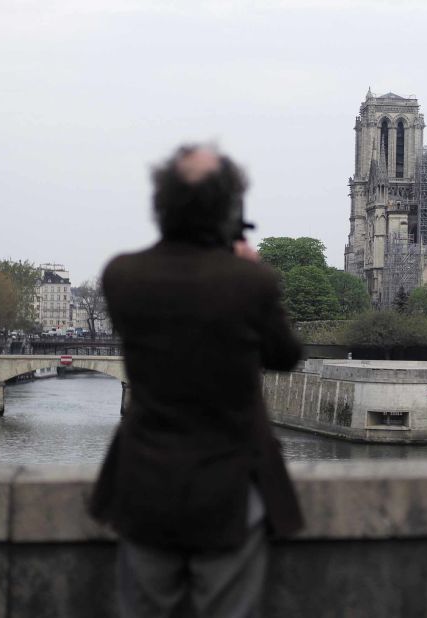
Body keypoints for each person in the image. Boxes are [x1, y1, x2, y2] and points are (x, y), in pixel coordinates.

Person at [90, 143, 304, 618]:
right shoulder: (250, 283)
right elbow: (285, 356)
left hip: (143, 484)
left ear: (161, 204)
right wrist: (248, 271)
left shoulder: (123, 275)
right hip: (228, 490)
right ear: (228, 207)